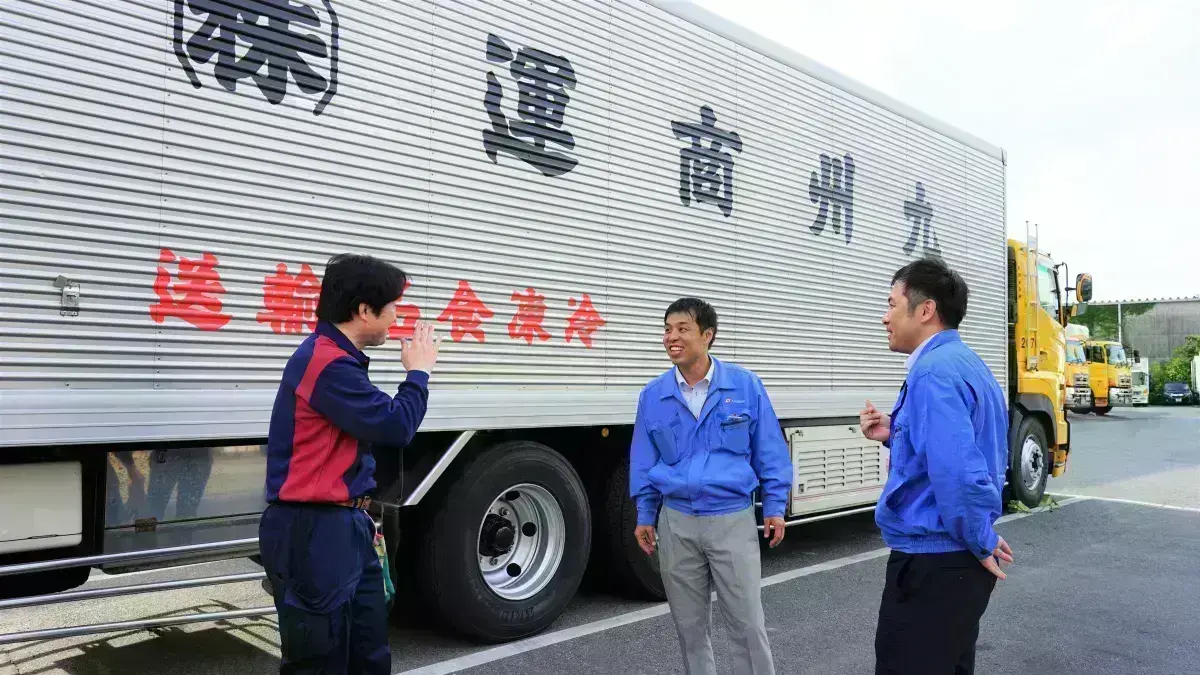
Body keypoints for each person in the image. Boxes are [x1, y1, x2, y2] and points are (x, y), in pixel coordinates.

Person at [258, 253, 440, 675]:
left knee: (368, 653)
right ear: (363, 310)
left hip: (344, 526)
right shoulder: (326, 362)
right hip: (315, 531)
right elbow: (395, 426)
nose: (397, 317)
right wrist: (419, 374)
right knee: (320, 662)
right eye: (393, 306)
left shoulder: (338, 360)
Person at [860, 258, 1014, 675]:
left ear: (924, 310)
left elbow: (958, 474)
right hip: (952, 566)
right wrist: (895, 433)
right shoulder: (965, 363)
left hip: (932, 567)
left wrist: (979, 538)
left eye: (892, 304)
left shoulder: (932, 373)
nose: (884, 317)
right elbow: (958, 451)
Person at [630, 297, 792, 675]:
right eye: (668, 329)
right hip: (677, 523)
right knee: (689, 629)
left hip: (730, 520)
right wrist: (645, 514)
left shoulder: (744, 385)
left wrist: (773, 506)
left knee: (747, 626)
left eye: (682, 329)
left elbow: (769, 450)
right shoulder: (653, 396)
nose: (672, 337)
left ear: (708, 335)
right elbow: (644, 460)